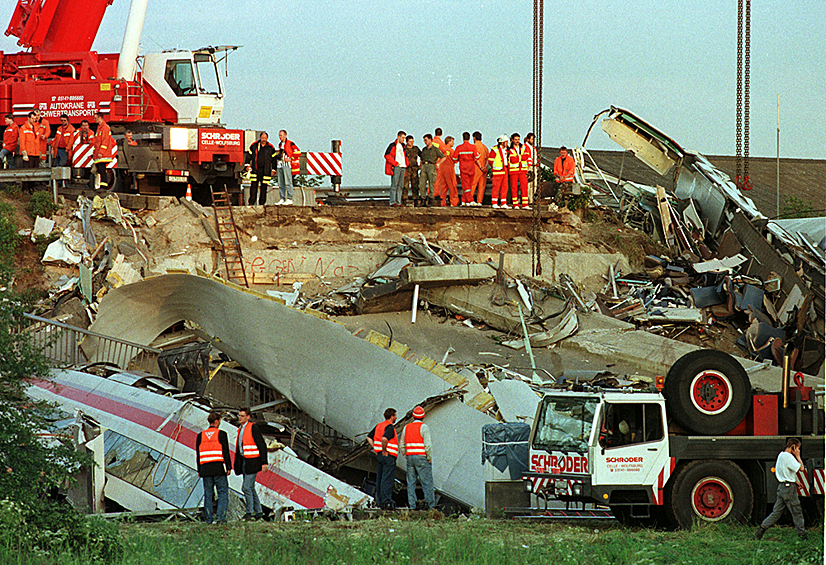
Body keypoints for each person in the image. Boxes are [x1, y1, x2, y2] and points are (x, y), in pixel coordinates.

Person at [754, 438, 808, 540]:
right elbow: (801, 468)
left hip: (782, 487)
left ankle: (760, 531)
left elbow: (784, 472)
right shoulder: (789, 457)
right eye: (798, 448)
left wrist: (795, 482)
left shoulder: (781, 455)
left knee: (776, 512)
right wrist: (798, 456)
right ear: (793, 447)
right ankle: (802, 535)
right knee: (797, 512)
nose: (798, 450)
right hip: (789, 489)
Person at [196, 411, 232, 524]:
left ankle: (209, 519)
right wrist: (229, 467)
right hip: (218, 468)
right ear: (216, 421)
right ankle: (221, 518)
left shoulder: (200, 435)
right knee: (222, 493)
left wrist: (199, 470)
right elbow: (225, 452)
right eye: (220, 421)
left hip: (205, 469)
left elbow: (198, 453)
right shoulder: (221, 434)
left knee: (208, 494)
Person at [233, 407, 268, 520]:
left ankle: (249, 512)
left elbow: (262, 445)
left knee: (246, 487)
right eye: (239, 415)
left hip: (253, 461)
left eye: (242, 416)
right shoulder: (241, 429)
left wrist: (264, 462)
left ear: (248, 417)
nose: (240, 418)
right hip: (245, 461)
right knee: (251, 488)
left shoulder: (252, 428)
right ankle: (258, 512)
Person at [401, 405, 435, 510]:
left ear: (413, 416)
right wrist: (429, 457)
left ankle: (412, 506)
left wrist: (406, 455)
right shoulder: (424, 427)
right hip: (422, 458)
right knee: (427, 482)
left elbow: (402, 445)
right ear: (423, 416)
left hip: (410, 458)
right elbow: (428, 446)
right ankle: (429, 506)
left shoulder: (406, 427)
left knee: (411, 483)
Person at [369, 407, 398, 510]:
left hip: (380, 455)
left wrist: (376, 449)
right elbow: (385, 438)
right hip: (388, 456)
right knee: (387, 478)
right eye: (395, 415)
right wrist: (385, 449)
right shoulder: (389, 427)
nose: (396, 417)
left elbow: (369, 437)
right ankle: (386, 501)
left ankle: (379, 500)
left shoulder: (379, 426)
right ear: (391, 416)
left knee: (380, 478)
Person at [245, 131, 277, 206]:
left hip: (266, 170)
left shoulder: (270, 147)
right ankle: (251, 203)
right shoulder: (254, 145)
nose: (263, 139)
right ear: (260, 137)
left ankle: (262, 204)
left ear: (267, 138)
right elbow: (248, 155)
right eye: (262, 138)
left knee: (264, 187)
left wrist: (273, 169)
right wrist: (247, 165)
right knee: (253, 187)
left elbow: (274, 159)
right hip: (255, 170)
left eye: (265, 138)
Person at [418, 134, 443, 207]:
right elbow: (421, 158)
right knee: (422, 183)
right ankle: (423, 199)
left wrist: (438, 164)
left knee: (431, 183)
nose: (425, 142)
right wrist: (420, 166)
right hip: (424, 166)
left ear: (430, 140)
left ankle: (430, 199)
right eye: (424, 140)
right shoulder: (424, 149)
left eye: (426, 140)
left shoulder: (435, 149)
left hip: (431, 165)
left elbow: (443, 157)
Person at [453, 132, 478, 206]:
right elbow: (477, 157)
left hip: (463, 167)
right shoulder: (473, 147)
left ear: (463, 138)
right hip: (471, 167)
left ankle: (468, 200)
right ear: (469, 138)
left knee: (465, 185)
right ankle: (466, 201)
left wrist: (459, 160)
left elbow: (454, 158)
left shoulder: (459, 148)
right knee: (469, 185)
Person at [384, 131, 408, 207]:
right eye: (403, 137)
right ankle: (393, 201)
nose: (404, 139)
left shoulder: (403, 146)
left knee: (400, 185)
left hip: (403, 167)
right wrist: (395, 163)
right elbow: (387, 155)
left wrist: (406, 164)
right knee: (394, 184)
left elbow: (405, 156)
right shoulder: (393, 145)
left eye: (404, 138)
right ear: (398, 137)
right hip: (397, 167)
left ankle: (398, 202)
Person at [93, 112, 116, 190]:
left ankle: (104, 185)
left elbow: (105, 141)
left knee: (102, 169)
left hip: (103, 154)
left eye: (95, 118)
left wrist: (101, 152)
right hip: (99, 154)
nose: (94, 119)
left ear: (100, 117)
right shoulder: (100, 127)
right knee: (100, 169)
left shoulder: (105, 127)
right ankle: (103, 185)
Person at [276, 130, 300, 205]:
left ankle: (290, 197)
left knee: (288, 181)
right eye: (279, 135)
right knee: (281, 182)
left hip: (287, 164)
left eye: (282, 135)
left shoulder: (290, 143)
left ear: (285, 135)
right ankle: (282, 198)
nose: (280, 137)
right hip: (281, 164)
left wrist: (290, 158)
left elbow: (298, 152)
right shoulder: (280, 145)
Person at [507, 133, 529, 209]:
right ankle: (515, 204)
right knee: (514, 188)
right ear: (512, 140)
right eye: (516, 139)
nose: (517, 141)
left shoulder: (523, 147)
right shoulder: (510, 149)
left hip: (522, 170)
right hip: (514, 171)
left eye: (518, 139)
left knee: (524, 186)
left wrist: (518, 157)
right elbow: (512, 160)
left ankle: (525, 204)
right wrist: (521, 157)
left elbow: (526, 156)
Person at [488, 135, 510, 208]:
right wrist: (495, 168)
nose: (507, 143)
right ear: (502, 142)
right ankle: (494, 203)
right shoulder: (495, 149)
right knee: (496, 187)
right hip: (498, 171)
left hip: (505, 170)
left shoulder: (507, 150)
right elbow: (490, 161)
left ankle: (503, 203)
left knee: (505, 187)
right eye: (506, 142)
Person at [434, 136, 457, 206]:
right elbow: (455, 160)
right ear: (449, 142)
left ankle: (442, 202)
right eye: (452, 141)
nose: (453, 143)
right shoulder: (451, 151)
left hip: (441, 169)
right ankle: (453, 202)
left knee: (443, 187)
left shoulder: (442, 149)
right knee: (452, 186)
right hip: (449, 169)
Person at [471, 131, 489, 206]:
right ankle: (479, 201)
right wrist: (485, 167)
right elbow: (488, 159)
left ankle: (470, 200)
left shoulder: (474, 146)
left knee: (472, 184)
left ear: (474, 138)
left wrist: (480, 167)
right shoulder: (485, 147)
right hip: (484, 169)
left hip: (476, 168)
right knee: (482, 186)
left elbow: (475, 158)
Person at [403, 135, 420, 206]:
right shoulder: (404, 149)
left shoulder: (416, 149)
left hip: (414, 169)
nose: (412, 143)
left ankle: (416, 199)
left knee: (415, 185)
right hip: (407, 169)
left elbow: (422, 155)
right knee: (405, 185)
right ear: (407, 142)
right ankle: (404, 200)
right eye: (410, 141)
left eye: (412, 141)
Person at [523, 132, 536, 208]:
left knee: (534, 184)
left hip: (534, 166)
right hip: (528, 167)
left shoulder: (533, 148)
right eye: (532, 139)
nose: (533, 140)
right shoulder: (525, 147)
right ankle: (528, 200)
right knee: (529, 184)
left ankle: (531, 199)